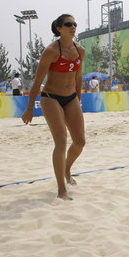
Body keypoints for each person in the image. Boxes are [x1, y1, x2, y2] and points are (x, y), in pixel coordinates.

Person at [21, 14, 86, 201]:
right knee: (61, 141)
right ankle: (61, 190)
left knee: (80, 142)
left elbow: (79, 77)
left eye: (74, 23)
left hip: (71, 97)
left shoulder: (80, 50)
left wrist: (78, 100)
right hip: (51, 98)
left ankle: (67, 170)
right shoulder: (51, 51)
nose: (73, 26)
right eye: (68, 24)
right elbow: (37, 81)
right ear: (59, 29)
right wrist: (29, 108)